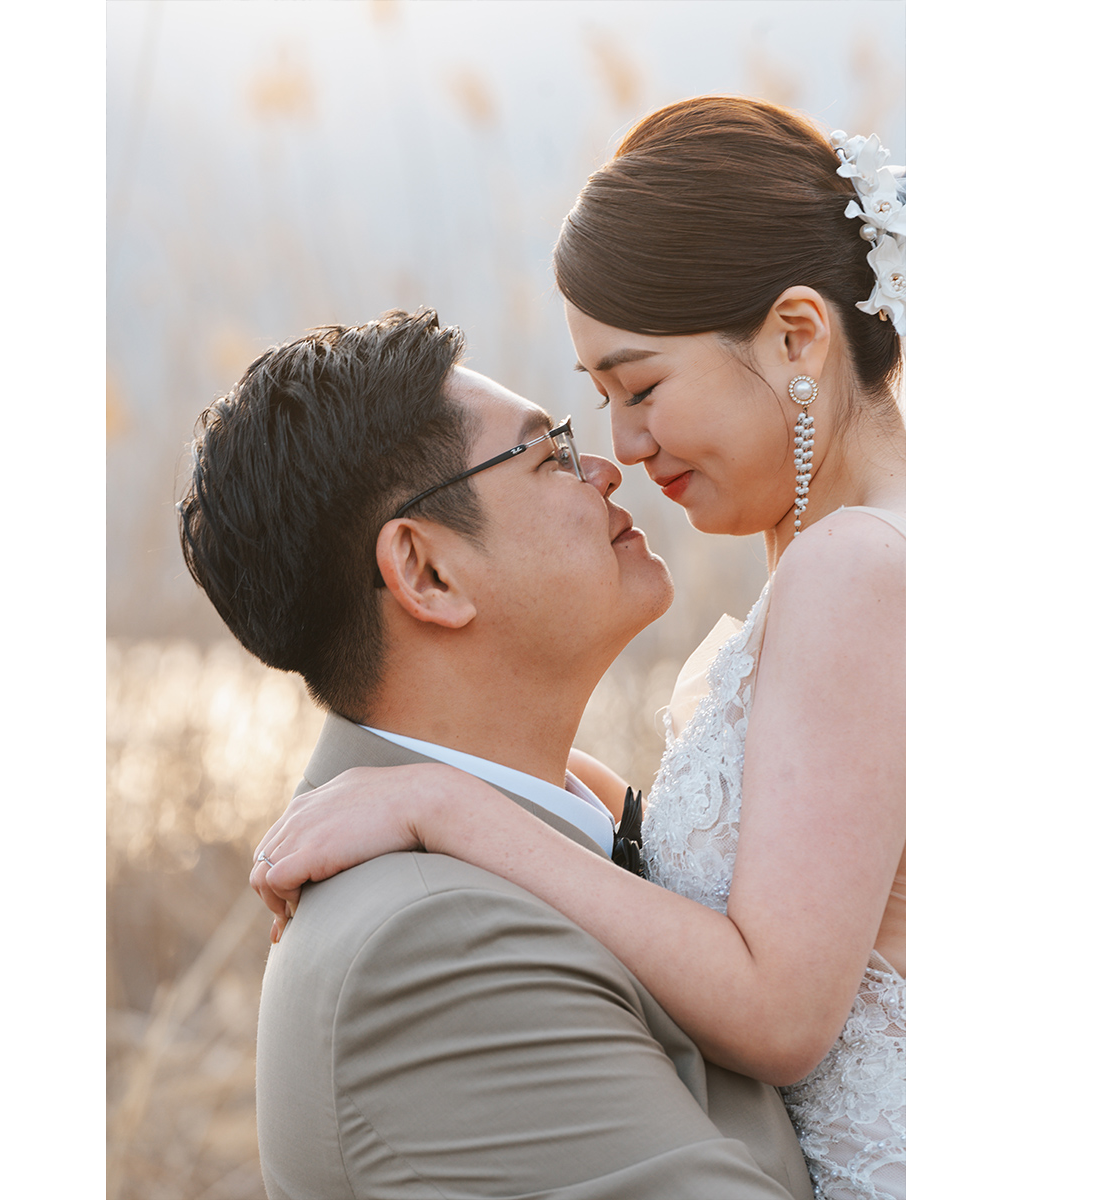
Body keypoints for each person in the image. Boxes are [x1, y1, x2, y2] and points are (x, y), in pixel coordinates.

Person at [250, 96, 906, 1200]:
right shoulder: (854, 550)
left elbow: (785, 1018)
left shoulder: (853, 570)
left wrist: (449, 806)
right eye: (594, 402)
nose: (625, 450)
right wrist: (583, 803)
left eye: (640, 388)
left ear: (798, 336)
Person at [179, 308, 816, 1199]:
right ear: (428, 573)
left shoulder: (534, 816)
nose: (608, 466)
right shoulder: (431, 947)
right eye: (550, 452)